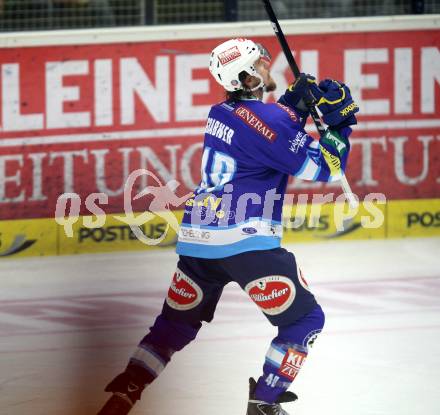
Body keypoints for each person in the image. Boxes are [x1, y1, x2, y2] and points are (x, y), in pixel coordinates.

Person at [97, 37, 358, 415]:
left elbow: (267, 131)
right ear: (250, 74)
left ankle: (126, 390)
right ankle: (264, 402)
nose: (269, 66)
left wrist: (293, 105)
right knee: (305, 320)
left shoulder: (219, 113)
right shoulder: (270, 122)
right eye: (262, 63)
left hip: (198, 240)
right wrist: (341, 124)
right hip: (246, 243)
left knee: (174, 325)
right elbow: (325, 168)